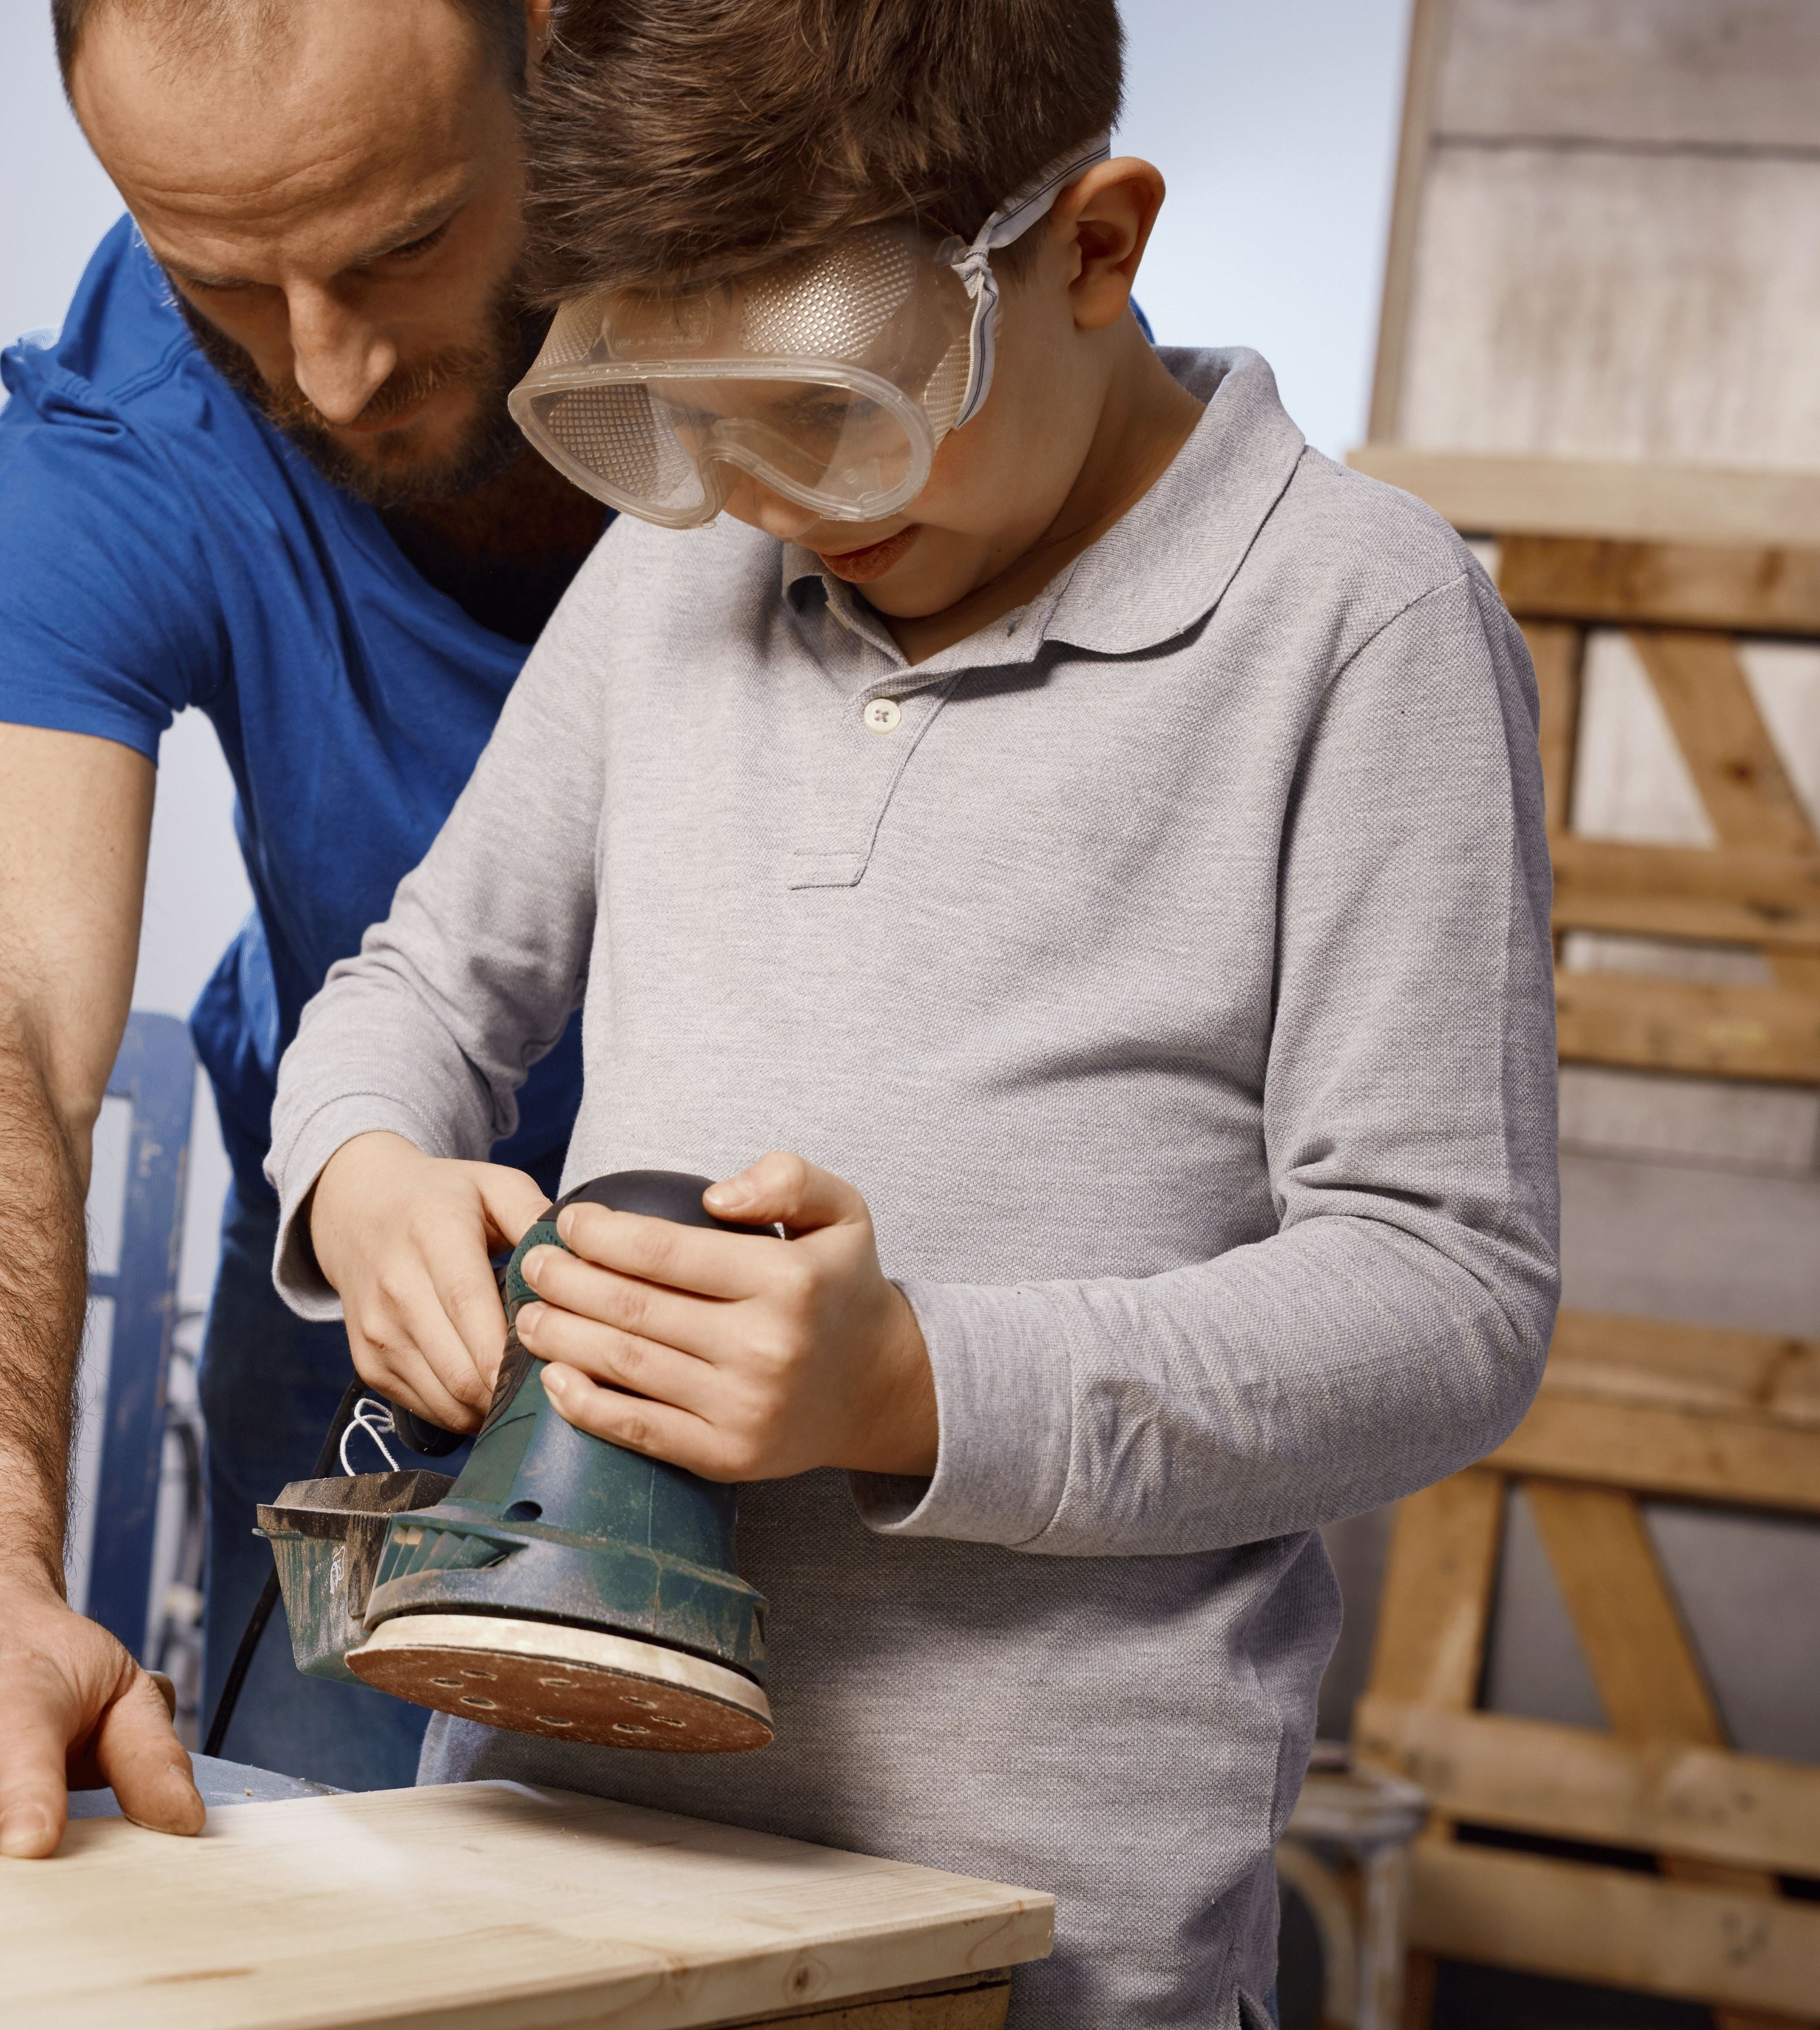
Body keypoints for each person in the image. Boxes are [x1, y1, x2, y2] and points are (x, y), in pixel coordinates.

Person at [268, 1, 1557, 2021]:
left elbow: (1446, 1297)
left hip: (1033, 1936)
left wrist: (908, 1391)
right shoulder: (669, 572)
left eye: (830, 405)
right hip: (535, 1874)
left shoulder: (1363, 625)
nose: (766, 497)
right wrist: (365, 1178)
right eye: (685, 420)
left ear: (1093, 245)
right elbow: (420, 990)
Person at [0, 0, 602, 1848]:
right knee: (346, 1853)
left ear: (568, 55)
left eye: (403, 247)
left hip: (799, 1200)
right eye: (225, 279)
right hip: (368, 1231)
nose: (333, 369)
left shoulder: (800, 273)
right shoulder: (117, 442)